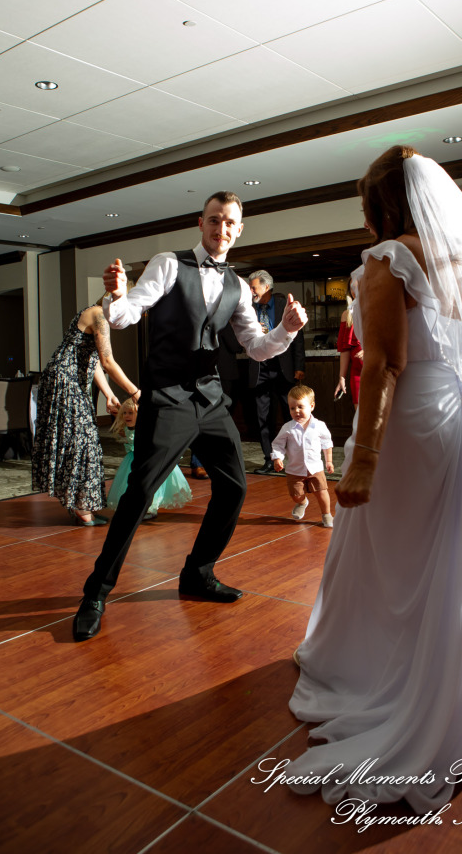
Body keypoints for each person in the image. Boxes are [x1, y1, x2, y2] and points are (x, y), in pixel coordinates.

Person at [286, 146, 462, 813]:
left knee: (394, 557)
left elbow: (383, 367)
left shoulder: (387, 261)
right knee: (452, 555)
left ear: (381, 203)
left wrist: (363, 459)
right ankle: (459, 686)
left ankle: (389, 675)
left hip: (409, 427)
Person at [72, 191, 307, 642]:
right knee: (139, 493)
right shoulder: (168, 263)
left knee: (235, 487)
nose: (222, 229)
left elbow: (255, 346)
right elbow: (130, 311)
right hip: (168, 397)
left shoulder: (238, 285)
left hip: (211, 397)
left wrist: (286, 330)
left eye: (230, 223)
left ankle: (197, 573)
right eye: (214, 220)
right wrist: (115, 296)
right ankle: (95, 593)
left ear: (239, 230)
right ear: (201, 223)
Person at [32, 304, 140, 527]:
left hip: (71, 380)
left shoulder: (98, 316)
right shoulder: (98, 314)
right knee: (82, 440)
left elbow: (94, 361)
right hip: (64, 381)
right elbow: (108, 362)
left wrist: (109, 394)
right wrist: (135, 391)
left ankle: (81, 503)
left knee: (86, 439)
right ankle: (80, 505)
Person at [248, 270, 306, 474]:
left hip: (284, 368)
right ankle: (270, 460)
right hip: (259, 369)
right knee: (263, 418)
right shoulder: (248, 309)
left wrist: (299, 366)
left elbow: (298, 339)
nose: (251, 291)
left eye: (254, 287)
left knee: (293, 416)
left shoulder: (283, 306)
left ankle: (298, 459)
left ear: (267, 287)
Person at [108, 397, 191, 520]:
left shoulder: (148, 429)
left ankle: (149, 507)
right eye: (124, 413)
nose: (126, 416)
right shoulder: (126, 429)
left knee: (149, 484)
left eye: (131, 413)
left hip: (148, 460)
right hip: (133, 460)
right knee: (132, 484)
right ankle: (135, 506)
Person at [271, 385, 335, 528]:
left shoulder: (319, 426)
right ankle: (302, 502)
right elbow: (278, 444)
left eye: (300, 407)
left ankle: (326, 514)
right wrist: (278, 458)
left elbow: (327, 443)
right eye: (292, 408)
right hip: (295, 469)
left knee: (321, 492)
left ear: (311, 406)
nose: (296, 411)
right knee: (296, 495)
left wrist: (329, 461)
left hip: (315, 468)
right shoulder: (287, 428)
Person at [333, 281, 363, 409]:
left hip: (378, 371)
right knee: (360, 419)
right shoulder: (347, 314)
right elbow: (345, 350)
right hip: (357, 374)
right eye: (351, 287)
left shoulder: (379, 310)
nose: (354, 290)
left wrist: (372, 350)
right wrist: (342, 377)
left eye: (357, 286)